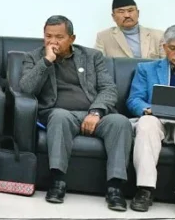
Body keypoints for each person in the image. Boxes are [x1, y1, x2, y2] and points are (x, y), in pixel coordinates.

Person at [19, 15, 131, 211]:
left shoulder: (92, 57)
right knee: (59, 116)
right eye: (48, 36)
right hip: (61, 114)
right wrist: (46, 62)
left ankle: (115, 188)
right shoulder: (34, 57)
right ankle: (57, 182)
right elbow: (26, 88)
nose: (53, 42)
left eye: (59, 37)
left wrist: (96, 111)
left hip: (94, 114)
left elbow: (108, 88)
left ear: (72, 38)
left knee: (120, 122)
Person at [127, 24, 175, 216]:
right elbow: (134, 99)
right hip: (156, 119)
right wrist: (147, 109)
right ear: (164, 48)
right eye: (173, 48)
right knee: (146, 124)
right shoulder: (146, 69)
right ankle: (144, 190)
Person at [95, 0, 164, 59]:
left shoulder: (158, 36)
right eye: (121, 12)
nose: (127, 15)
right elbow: (97, 63)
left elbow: (166, 64)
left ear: (138, 13)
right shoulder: (103, 37)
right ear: (113, 16)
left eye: (130, 11)